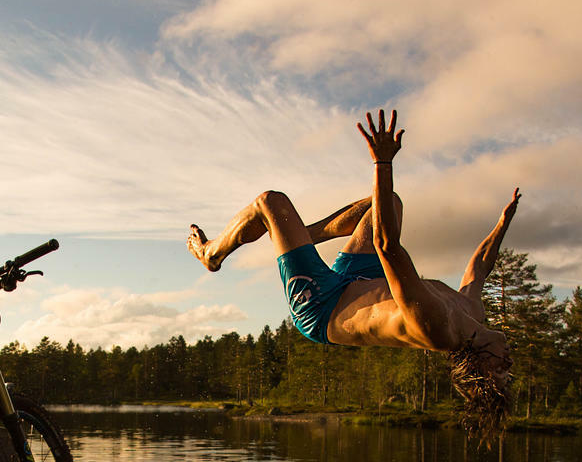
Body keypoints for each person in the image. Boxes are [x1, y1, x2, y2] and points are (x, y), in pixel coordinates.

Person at [188, 109, 519, 433]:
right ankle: (298, 235)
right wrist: (503, 223)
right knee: (386, 203)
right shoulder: (472, 311)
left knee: (270, 202)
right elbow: (479, 268)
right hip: (361, 280)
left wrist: (382, 162)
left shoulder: (435, 326)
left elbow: (387, 246)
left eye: (502, 371)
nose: (510, 363)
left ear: (479, 365)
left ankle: (211, 254)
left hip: (324, 309)